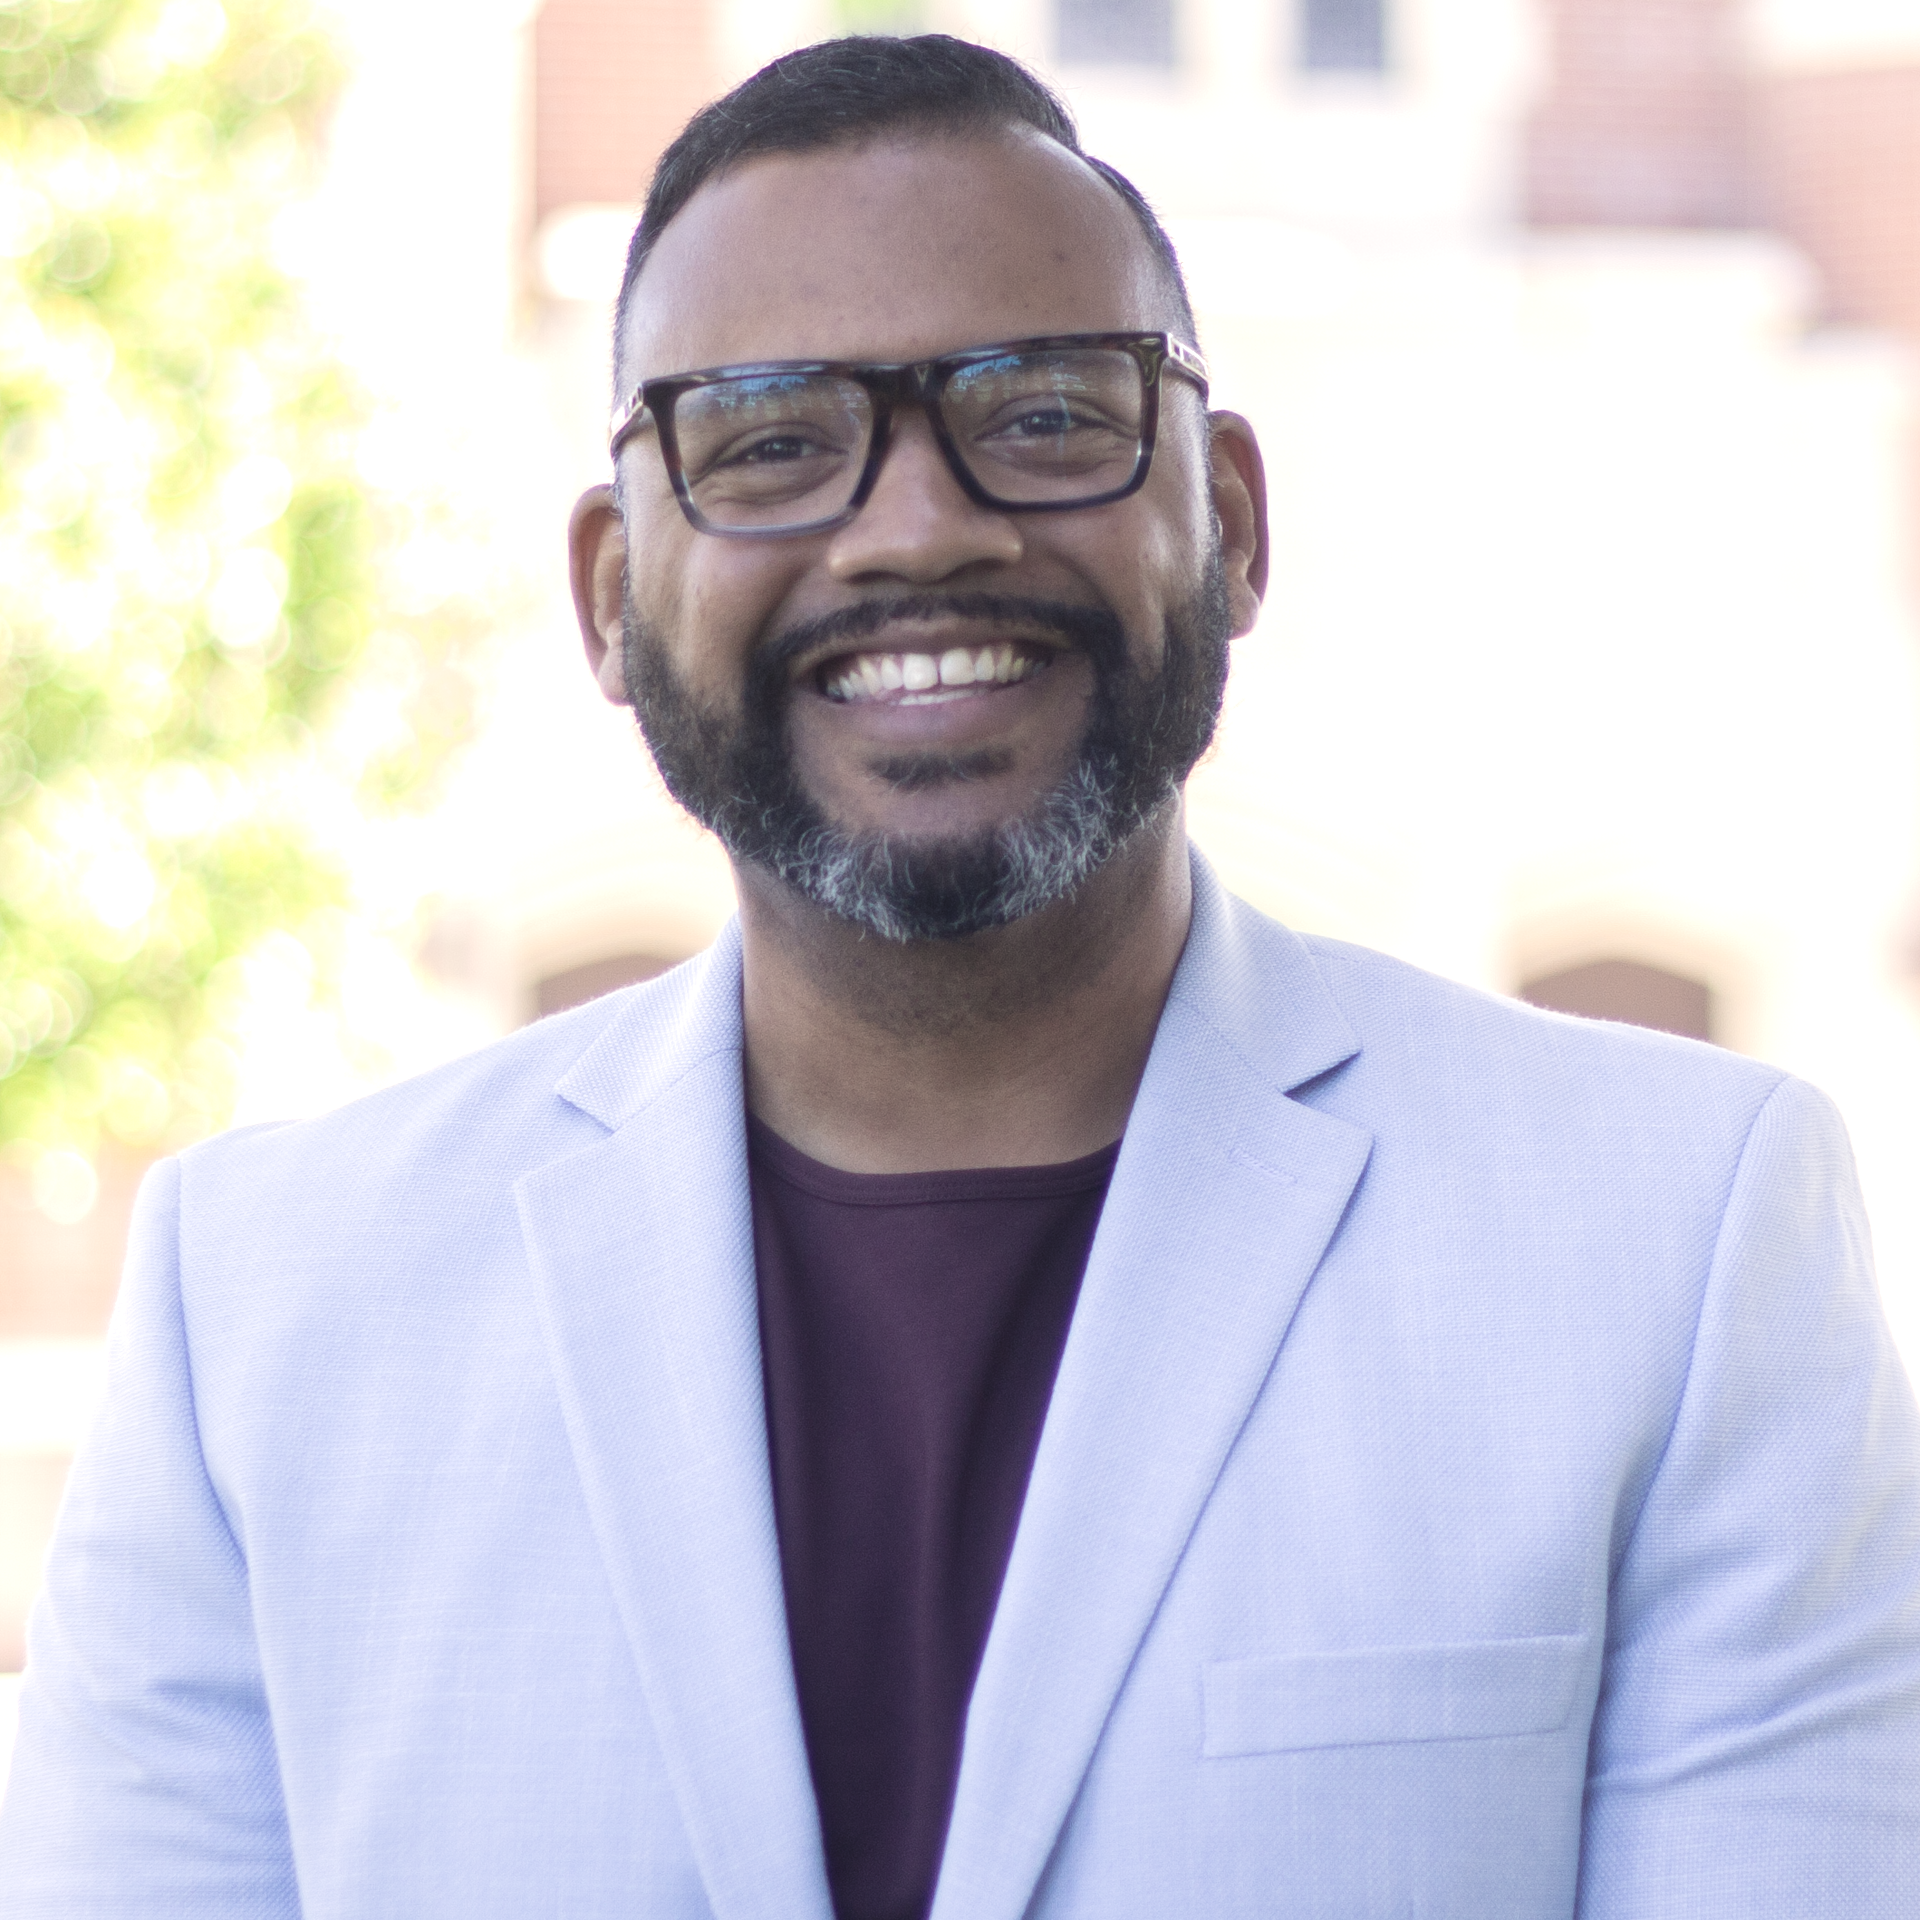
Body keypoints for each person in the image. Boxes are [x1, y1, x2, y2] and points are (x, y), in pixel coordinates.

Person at [3, 33, 1917, 1920]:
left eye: (1046, 415)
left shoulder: (1671, 1243)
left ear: (1232, 522)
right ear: (608, 592)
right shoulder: (267, 1310)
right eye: (767, 441)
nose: (918, 525)